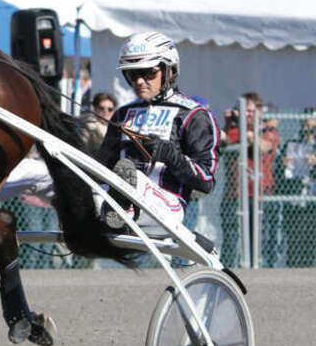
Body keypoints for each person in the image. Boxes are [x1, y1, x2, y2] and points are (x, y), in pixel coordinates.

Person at [98, 32, 219, 237]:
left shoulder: (193, 115)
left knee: (132, 176)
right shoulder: (122, 115)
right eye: (132, 74)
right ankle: (118, 207)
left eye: (148, 73)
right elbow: (102, 166)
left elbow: (206, 181)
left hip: (167, 207)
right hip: (118, 198)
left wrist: (171, 155)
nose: (139, 81)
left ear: (170, 71)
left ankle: (122, 206)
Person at [219, 92, 279, 267]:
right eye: (244, 111)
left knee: (262, 239)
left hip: (261, 194)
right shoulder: (234, 130)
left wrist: (252, 134)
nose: (247, 115)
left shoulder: (268, 130)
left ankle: (265, 271)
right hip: (234, 194)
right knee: (231, 238)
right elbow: (224, 142)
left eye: (251, 111)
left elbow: (265, 146)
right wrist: (229, 122)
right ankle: (230, 271)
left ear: (259, 112)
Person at [279, 111, 316, 267]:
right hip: (295, 198)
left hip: (312, 199)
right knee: (295, 237)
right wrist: (283, 165)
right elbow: (281, 173)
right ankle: (294, 268)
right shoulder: (292, 144)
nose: (309, 130)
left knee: (310, 237)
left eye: (312, 127)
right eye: (306, 126)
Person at [79, 91, 116, 156]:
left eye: (110, 109)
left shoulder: (117, 127)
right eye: (101, 108)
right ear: (95, 109)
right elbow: (81, 147)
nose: (106, 112)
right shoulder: (89, 125)